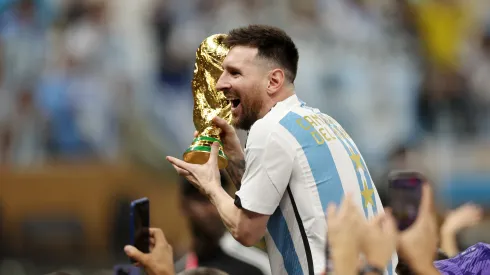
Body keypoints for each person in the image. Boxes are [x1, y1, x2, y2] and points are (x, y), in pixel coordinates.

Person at [166, 24, 397, 274]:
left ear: (273, 80)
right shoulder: (324, 123)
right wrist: (235, 158)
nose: (221, 84)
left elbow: (247, 231)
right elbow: (269, 205)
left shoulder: (269, 129)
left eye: (234, 73)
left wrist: (210, 185)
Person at [173, 176, 270, 275]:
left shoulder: (256, 266)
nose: (212, 209)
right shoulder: (176, 267)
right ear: (184, 205)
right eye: (202, 199)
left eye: (216, 199)